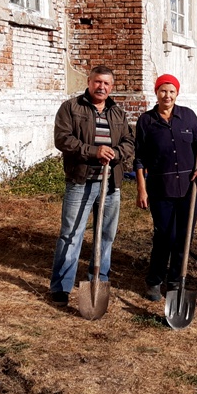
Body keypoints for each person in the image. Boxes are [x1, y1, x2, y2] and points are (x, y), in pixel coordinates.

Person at [49, 65, 135, 307]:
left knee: (106, 236)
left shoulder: (117, 112)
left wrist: (117, 153)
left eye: (107, 84)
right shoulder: (71, 108)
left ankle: (99, 279)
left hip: (110, 185)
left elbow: (130, 140)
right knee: (71, 234)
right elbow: (62, 138)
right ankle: (61, 287)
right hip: (81, 181)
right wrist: (93, 151)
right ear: (89, 82)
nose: (102, 87)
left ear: (111, 86)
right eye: (98, 82)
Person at [134, 74, 197, 301]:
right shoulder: (146, 121)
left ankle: (175, 280)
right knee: (164, 236)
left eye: (171, 91)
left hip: (189, 188)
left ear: (177, 93)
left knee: (184, 236)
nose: (167, 95)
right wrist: (141, 188)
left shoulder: (188, 117)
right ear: (156, 93)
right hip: (160, 188)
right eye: (163, 91)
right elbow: (139, 158)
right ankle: (155, 280)